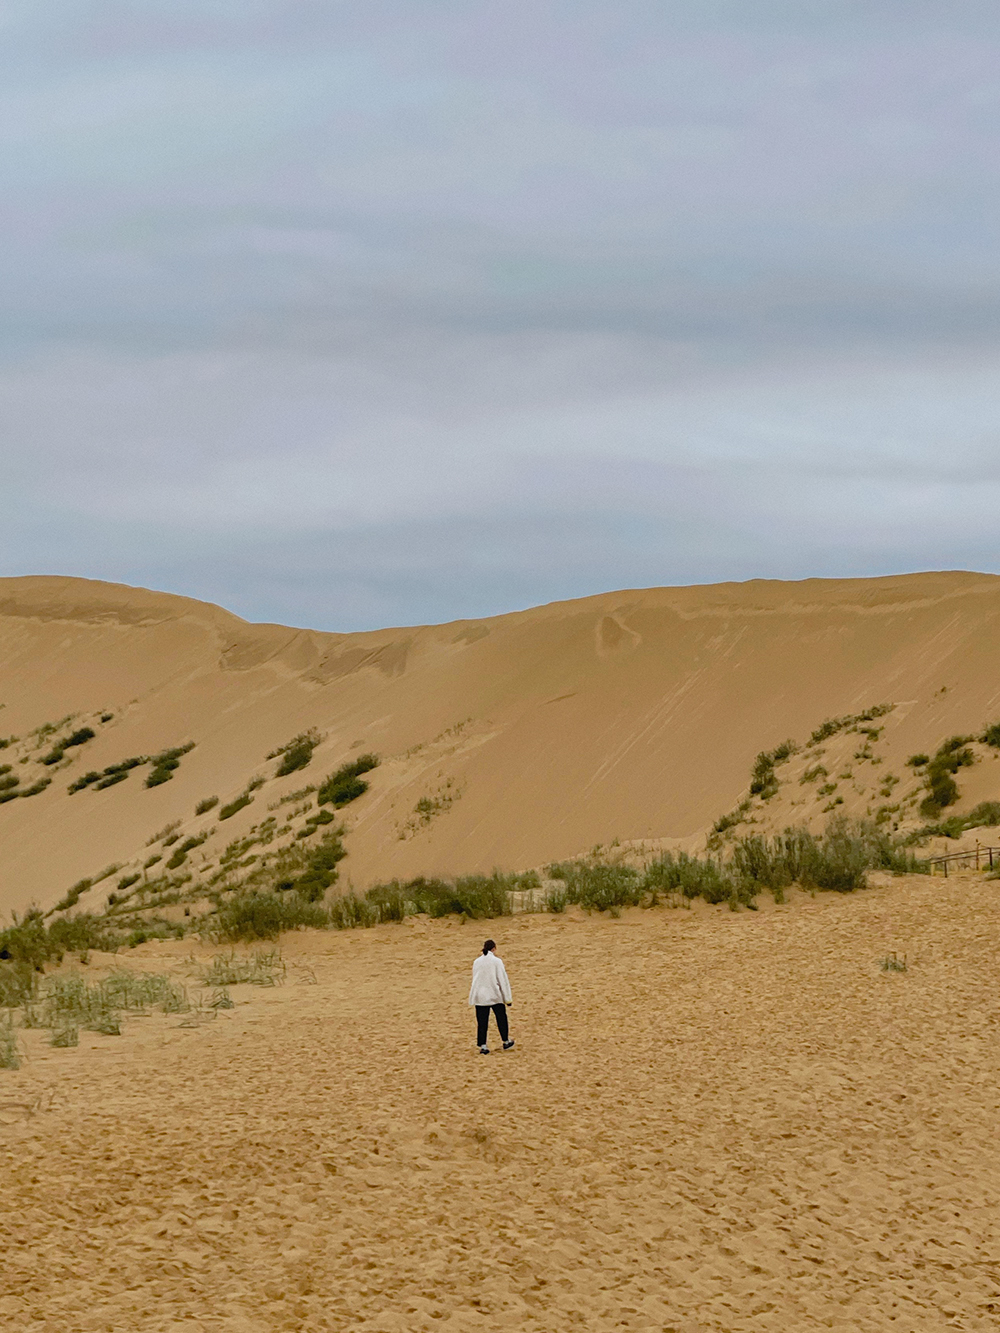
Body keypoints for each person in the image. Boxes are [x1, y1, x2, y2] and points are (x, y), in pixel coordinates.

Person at [468, 939, 514, 1054]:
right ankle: (505, 1040)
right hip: (494, 994)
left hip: (480, 995)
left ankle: (483, 1045)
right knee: (501, 1018)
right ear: (494, 948)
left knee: (482, 1021)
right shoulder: (497, 961)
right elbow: (502, 980)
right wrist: (507, 998)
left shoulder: (477, 961)